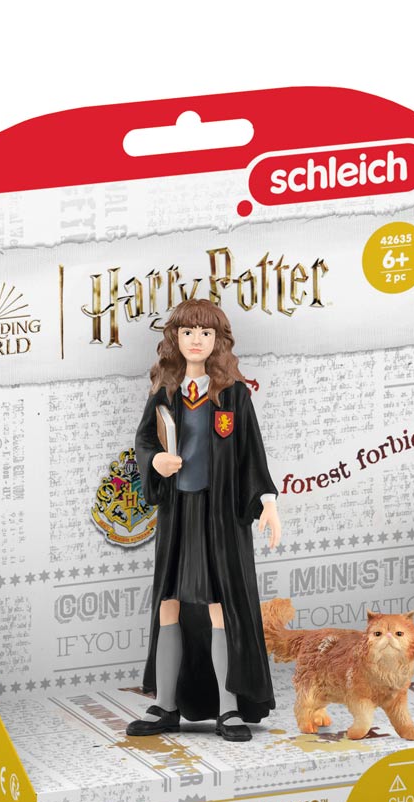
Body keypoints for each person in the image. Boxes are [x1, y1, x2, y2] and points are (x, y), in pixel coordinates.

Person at [127, 299, 282, 741]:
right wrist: (155, 461)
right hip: (178, 515)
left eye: (206, 333)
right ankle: (165, 704)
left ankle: (228, 708)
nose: (196, 340)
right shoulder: (165, 391)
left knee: (220, 606)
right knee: (169, 603)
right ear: (175, 338)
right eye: (188, 332)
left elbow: (252, 453)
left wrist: (267, 501)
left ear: (218, 341)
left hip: (220, 517)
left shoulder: (233, 395)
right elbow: (144, 440)